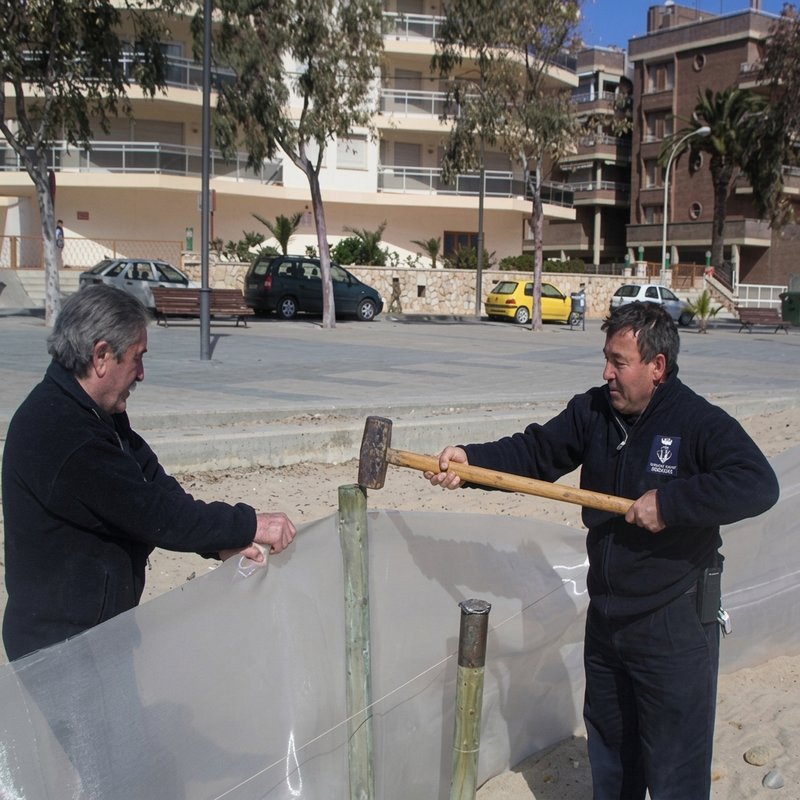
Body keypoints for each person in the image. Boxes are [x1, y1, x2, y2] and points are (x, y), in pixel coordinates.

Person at [426, 301, 779, 800]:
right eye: (605, 358)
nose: (607, 373)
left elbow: (758, 484)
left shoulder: (698, 421)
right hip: (610, 618)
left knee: (676, 766)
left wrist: (671, 502)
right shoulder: (593, 410)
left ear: (657, 367)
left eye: (620, 362)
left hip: (673, 621)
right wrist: (471, 463)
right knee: (613, 758)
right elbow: (535, 453)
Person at [2, 284, 297, 662]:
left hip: (99, 633)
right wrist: (249, 524)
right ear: (102, 356)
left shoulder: (92, 410)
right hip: (63, 651)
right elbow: (153, 515)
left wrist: (219, 542)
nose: (141, 373)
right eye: (137, 358)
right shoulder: (62, 432)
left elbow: (155, 485)